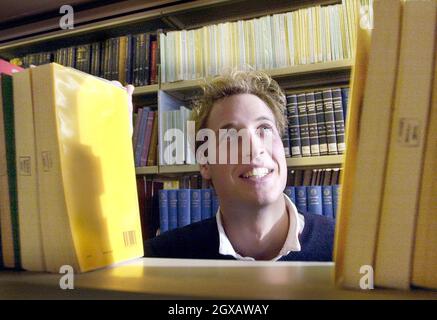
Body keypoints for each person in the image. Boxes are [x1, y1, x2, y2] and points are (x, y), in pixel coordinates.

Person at [139, 71, 334, 261]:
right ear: (205, 163)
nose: (255, 148)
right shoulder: (162, 257)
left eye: (264, 129)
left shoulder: (348, 248)